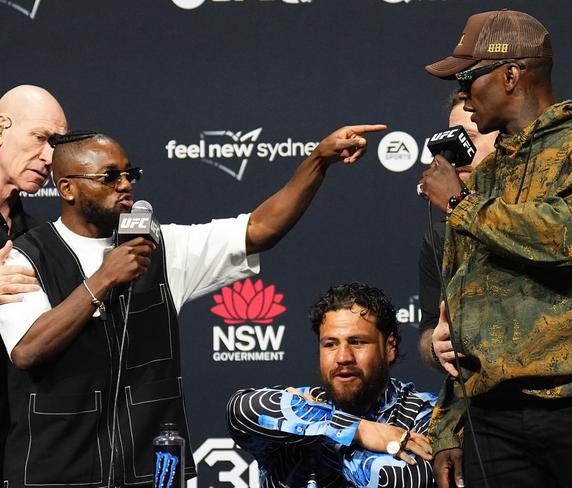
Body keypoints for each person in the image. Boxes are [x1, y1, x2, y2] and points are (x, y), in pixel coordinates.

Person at [0, 124, 384, 488]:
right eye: (110, 177)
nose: (125, 185)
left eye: (129, 173)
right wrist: (102, 279)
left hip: (154, 473)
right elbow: (28, 351)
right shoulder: (25, 259)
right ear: (67, 189)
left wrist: (317, 160)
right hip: (52, 473)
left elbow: (259, 229)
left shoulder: (161, 248)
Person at [419, 9, 572, 488]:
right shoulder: (481, 179)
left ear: (510, 74)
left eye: (468, 77)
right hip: (493, 424)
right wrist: (447, 426)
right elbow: (462, 316)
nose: (461, 92)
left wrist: (460, 205)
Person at [227, 282, 437, 487]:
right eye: (330, 344)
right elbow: (241, 410)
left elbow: (407, 478)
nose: (343, 357)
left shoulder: (424, 412)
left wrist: (315, 430)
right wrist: (359, 431)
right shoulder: (308, 400)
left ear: (390, 347)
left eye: (357, 342)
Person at [0, 84, 67, 483]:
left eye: (57, 145)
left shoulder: (38, 239)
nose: (50, 158)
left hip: (19, 453)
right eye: (41, 138)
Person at [418, 91, 497, 371]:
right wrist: (435, 346)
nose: (456, 151)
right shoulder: (439, 238)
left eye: (468, 138)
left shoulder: (545, 215)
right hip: (479, 403)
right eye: (451, 138)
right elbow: (429, 330)